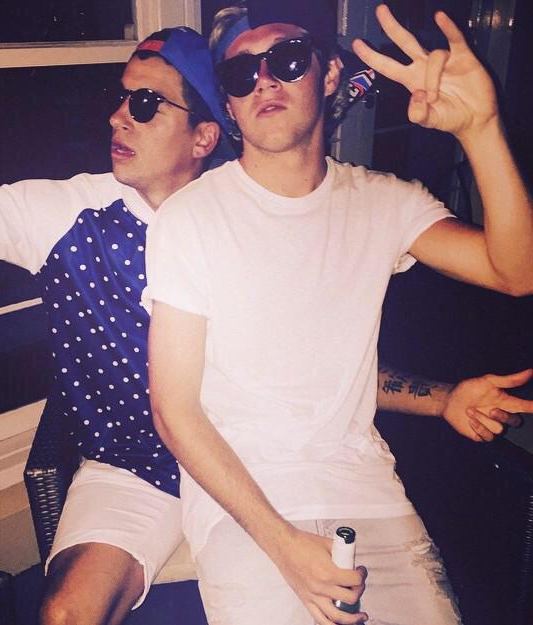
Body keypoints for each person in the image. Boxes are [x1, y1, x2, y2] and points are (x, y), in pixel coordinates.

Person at [0, 17, 528, 625]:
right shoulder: (86, 214)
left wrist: (479, 130)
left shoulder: (322, 206)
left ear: (204, 136)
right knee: (67, 612)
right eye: (241, 75)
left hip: (301, 471)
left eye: (147, 103)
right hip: (149, 468)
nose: (118, 115)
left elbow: (319, 366)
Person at [145, 2, 533, 625]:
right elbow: (174, 410)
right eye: (241, 75)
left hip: (366, 489)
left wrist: (481, 130)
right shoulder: (190, 218)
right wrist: (282, 544)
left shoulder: (383, 202)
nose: (263, 81)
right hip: (245, 502)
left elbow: (515, 272)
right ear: (231, 106)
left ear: (329, 75)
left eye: (287, 60)